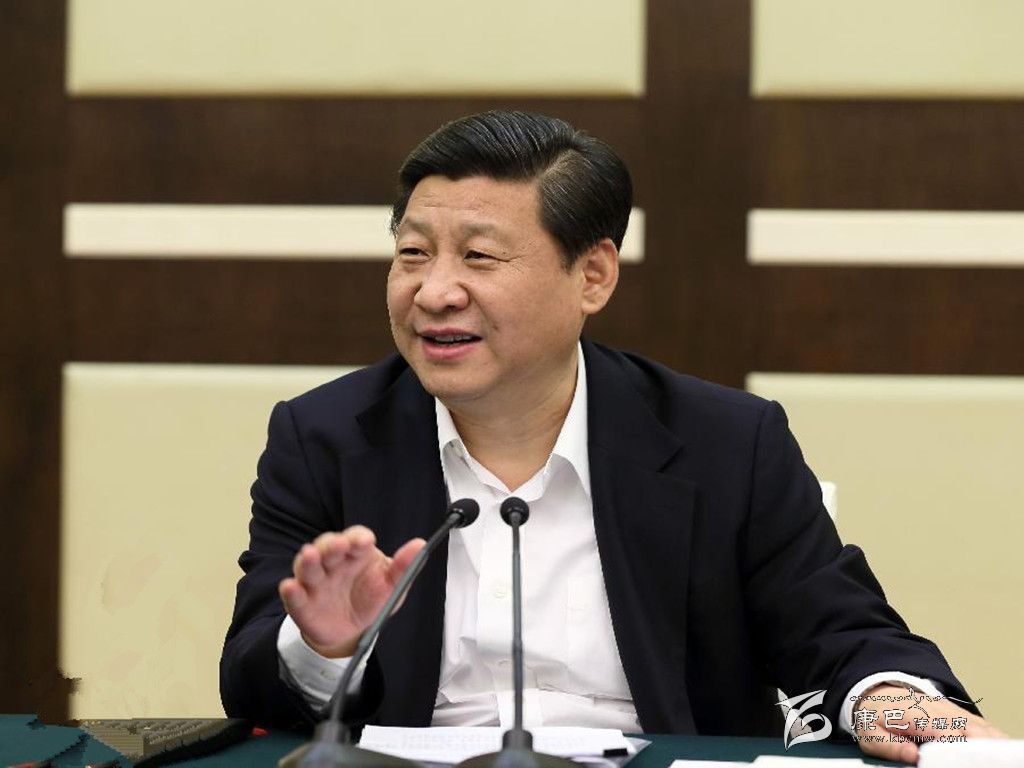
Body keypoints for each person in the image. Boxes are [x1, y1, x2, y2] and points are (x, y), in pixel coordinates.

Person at [220, 111, 1005, 764]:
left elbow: (841, 635)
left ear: (592, 276)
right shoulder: (323, 437)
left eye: (479, 257)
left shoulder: (727, 442)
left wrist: (906, 709)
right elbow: (250, 684)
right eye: (412, 254)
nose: (434, 291)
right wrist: (322, 648)